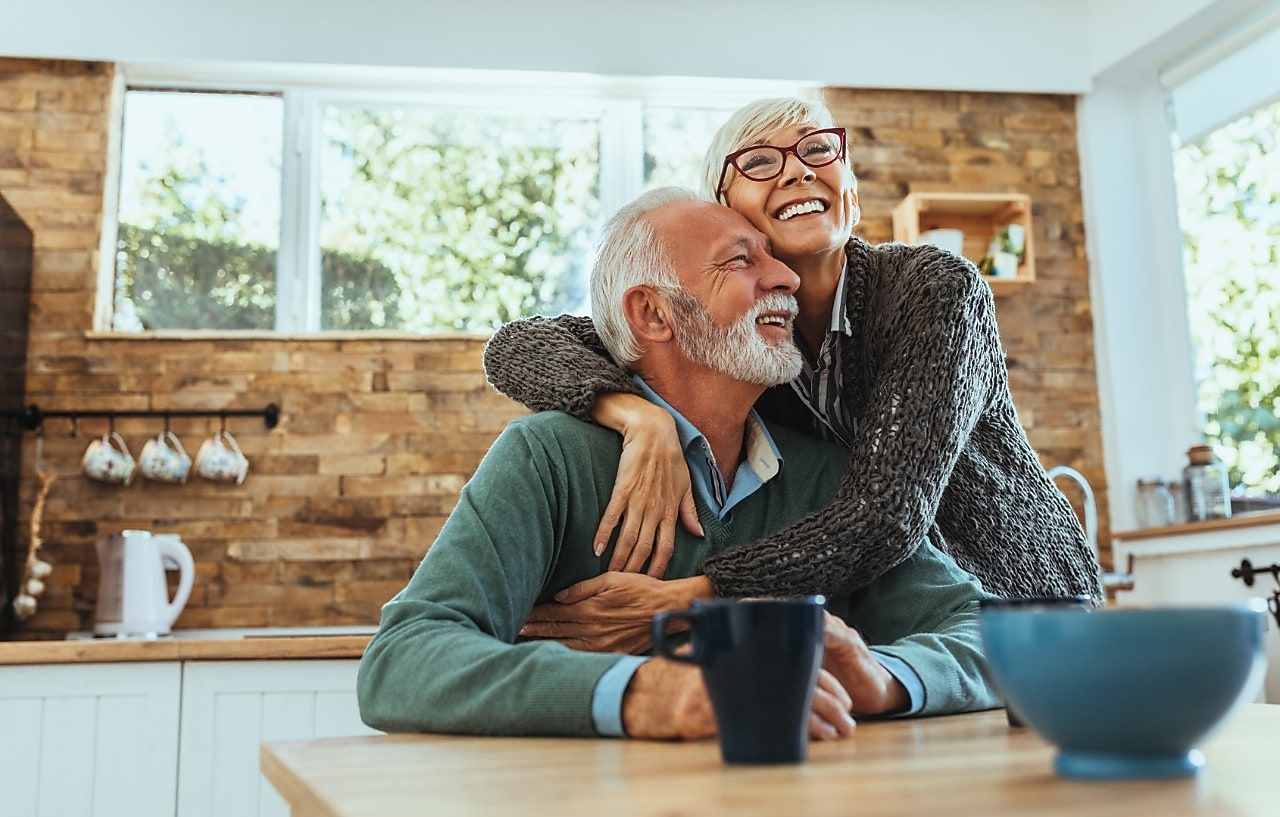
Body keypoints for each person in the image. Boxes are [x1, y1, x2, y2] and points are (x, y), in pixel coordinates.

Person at [357, 187, 1000, 739]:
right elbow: (403, 659)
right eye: (741, 262)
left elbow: (985, 634)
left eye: (773, 258)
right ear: (654, 313)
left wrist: (883, 679)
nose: (786, 278)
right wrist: (647, 692)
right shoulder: (548, 457)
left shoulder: (829, 476)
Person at [482, 96, 1102, 651]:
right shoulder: (736, 337)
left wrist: (692, 596)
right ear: (726, 212)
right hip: (887, 626)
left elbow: (886, 514)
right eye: (758, 162)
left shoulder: (933, 290)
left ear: (850, 189)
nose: (799, 170)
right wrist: (635, 415)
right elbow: (519, 345)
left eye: (815, 150)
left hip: (1016, 600)